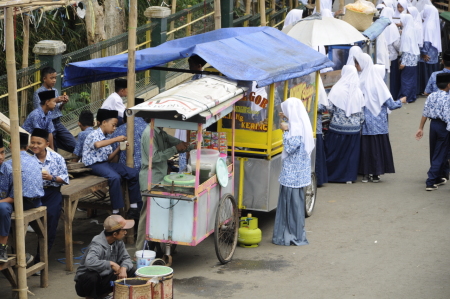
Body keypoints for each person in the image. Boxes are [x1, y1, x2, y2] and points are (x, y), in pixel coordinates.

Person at [136, 126, 193, 251]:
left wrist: (192, 145)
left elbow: (176, 142)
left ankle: (160, 247)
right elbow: (155, 157)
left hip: (160, 179)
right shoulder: (149, 133)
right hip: (150, 181)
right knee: (146, 218)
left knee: (160, 215)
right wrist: (175, 149)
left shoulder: (161, 133)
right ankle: (139, 251)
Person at [354, 53, 407, 183]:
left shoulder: (362, 83)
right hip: (379, 124)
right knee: (378, 148)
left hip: (366, 124)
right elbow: (391, 104)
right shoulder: (380, 85)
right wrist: (401, 101)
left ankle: (366, 174)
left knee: (366, 148)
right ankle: (376, 174)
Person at [82, 109, 142, 218]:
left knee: (132, 173)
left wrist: (119, 148)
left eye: (115, 126)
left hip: (105, 164)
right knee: (115, 177)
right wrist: (115, 139)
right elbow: (98, 145)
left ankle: (134, 207)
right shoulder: (93, 134)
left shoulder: (107, 137)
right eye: (113, 125)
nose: (114, 128)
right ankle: (116, 211)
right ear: (104, 122)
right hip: (94, 165)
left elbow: (109, 158)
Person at [272, 97, 313, 246]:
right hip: (297, 173)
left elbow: (289, 147)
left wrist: (284, 131)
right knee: (295, 205)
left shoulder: (295, 129)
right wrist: (287, 122)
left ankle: (289, 235)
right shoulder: (299, 123)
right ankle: (292, 233)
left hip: (292, 174)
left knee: (290, 205)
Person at [30, 128, 69, 267]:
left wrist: (51, 177)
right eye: (32, 142)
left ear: (47, 143)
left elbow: (65, 178)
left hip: (52, 193)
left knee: (51, 223)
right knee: (23, 222)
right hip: (33, 194)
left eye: (38, 143)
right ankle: (21, 258)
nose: (34, 145)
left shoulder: (57, 158)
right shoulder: (28, 159)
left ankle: (41, 260)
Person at [0, 133, 41, 264]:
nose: (1, 157)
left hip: (22, 202)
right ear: (27, 146)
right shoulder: (34, 159)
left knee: (3, 210)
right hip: (36, 201)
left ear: (11, 145)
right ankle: (21, 254)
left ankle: (5, 249)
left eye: (2, 152)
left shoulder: (9, 165)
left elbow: (11, 196)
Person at [74, 215, 135, 299]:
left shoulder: (118, 242)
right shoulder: (97, 244)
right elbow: (89, 262)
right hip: (86, 284)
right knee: (91, 276)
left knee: (131, 271)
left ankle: (105, 295)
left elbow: (126, 258)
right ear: (114, 234)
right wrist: (110, 264)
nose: (125, 232)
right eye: (123, 230)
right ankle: (91, 297)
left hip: (104, 279)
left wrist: (124, 268)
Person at [325, 65, 365, 184]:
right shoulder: (358, 91)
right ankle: (349, 177)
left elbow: (330, 108)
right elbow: (361, 114)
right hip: (354, 129)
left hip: (337, 128)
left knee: (335, 153)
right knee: (350, 155)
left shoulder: (337, 89)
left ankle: (332, 176)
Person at [415, 73, 450, 191]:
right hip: (444, 127)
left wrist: (421, 128)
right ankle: (430, 180)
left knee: (434, 151)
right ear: (448, 85)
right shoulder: (448, 98)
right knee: (441, 153)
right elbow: (448, 116)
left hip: (433, 125)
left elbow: (425, 113)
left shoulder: (431, 96)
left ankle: (438, 177)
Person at [33, 67, 76, 153]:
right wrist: (55, 100)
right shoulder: (38, 92)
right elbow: (39, 111)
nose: (54, 80)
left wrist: (63, 102)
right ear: (44, 79)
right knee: (51, 149)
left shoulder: (55, 91)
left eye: (55, 78)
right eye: (51, 78)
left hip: (57, 122)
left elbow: (57, 108)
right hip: (47, 125)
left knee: (74, 144)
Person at [110, 98, 148, 172]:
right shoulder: (149, 128)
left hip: (126, 172)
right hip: (147, 171)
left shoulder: (118, 130)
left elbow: (115, 157)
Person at [419, 5, 442, 94]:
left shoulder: (428, 25)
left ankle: (426, 90)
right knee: (432, 72)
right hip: (433, 54)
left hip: (427, 54)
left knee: (427, 73)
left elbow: (427, 41)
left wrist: (424, 52)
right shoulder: (434, 23)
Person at [397, 14, 420, 103]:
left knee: (406, 80)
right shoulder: (411, 30)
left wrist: (403, 62)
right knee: (411, 80)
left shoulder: (406, 33)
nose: (401, 22)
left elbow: (406, 49)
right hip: (413, 60)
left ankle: (405, 97)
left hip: (408, 61)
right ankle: (411, 96)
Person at [380, 6, 402, 99]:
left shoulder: (379, 25)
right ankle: (393, 96)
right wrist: (400, 52)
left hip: (381, 56)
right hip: (392, 56)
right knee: (393, 78)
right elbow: (396, 44)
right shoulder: (392, 26)